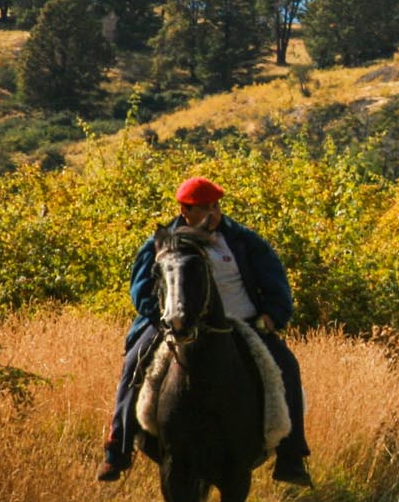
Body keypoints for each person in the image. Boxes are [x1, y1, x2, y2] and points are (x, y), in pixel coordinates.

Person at [96, 176, 313, 486]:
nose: (213, 214)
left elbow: (277, 285)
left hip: (243, 324)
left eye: (215, 206)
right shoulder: (162, 241)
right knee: (134, 363)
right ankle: (117, 450)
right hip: (173, 321)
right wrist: (164, 317)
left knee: (287, 366)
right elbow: (141, 289)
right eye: (203, 208)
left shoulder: (243, 240)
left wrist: (272, 317)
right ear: (185, 210)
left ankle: (291, 456)